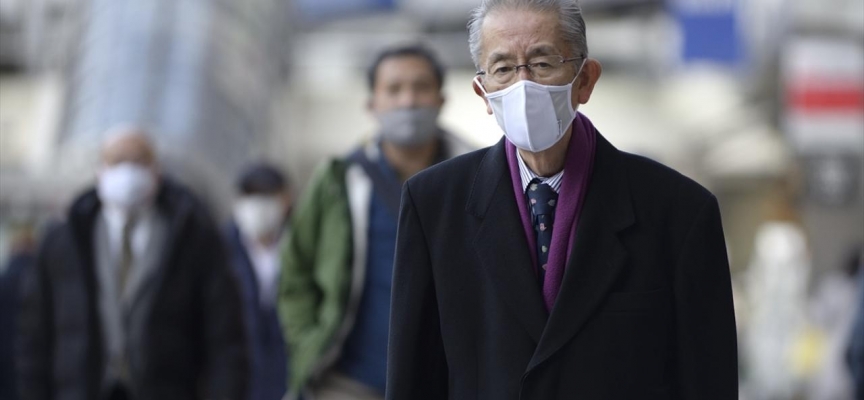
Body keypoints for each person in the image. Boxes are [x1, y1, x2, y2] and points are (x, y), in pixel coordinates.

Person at [386, 1, 738, 399]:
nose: (523, 84)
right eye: (503, 69)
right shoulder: (433, 206)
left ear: (585, 80)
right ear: (483, 92)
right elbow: (413, 377)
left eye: (542, 63)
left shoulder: (679, 212)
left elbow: (708, 381)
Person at [278, 44, 472, 400]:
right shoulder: (338, 180)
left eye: (420, 87)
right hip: (347, 382)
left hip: (448, 383)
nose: (408, 101)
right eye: (394, 89)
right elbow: (295, 269)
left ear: (441, 99)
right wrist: (307, 340)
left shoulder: (476, 176)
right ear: (372, 104)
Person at [18, 128, 249, 400]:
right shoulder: (64, 240)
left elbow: (225, 337)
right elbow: (34, 337)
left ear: (156, 171)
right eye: (118, 161)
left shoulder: (194, 237)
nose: (128, 172)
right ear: (100, 171)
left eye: (139, 161)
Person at [227, 163, 292, 400]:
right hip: (240, 384)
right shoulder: (221, 250)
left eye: (266, 196)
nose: (258, 206)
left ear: (286, 199)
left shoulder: (305, 248)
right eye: (250, 196)